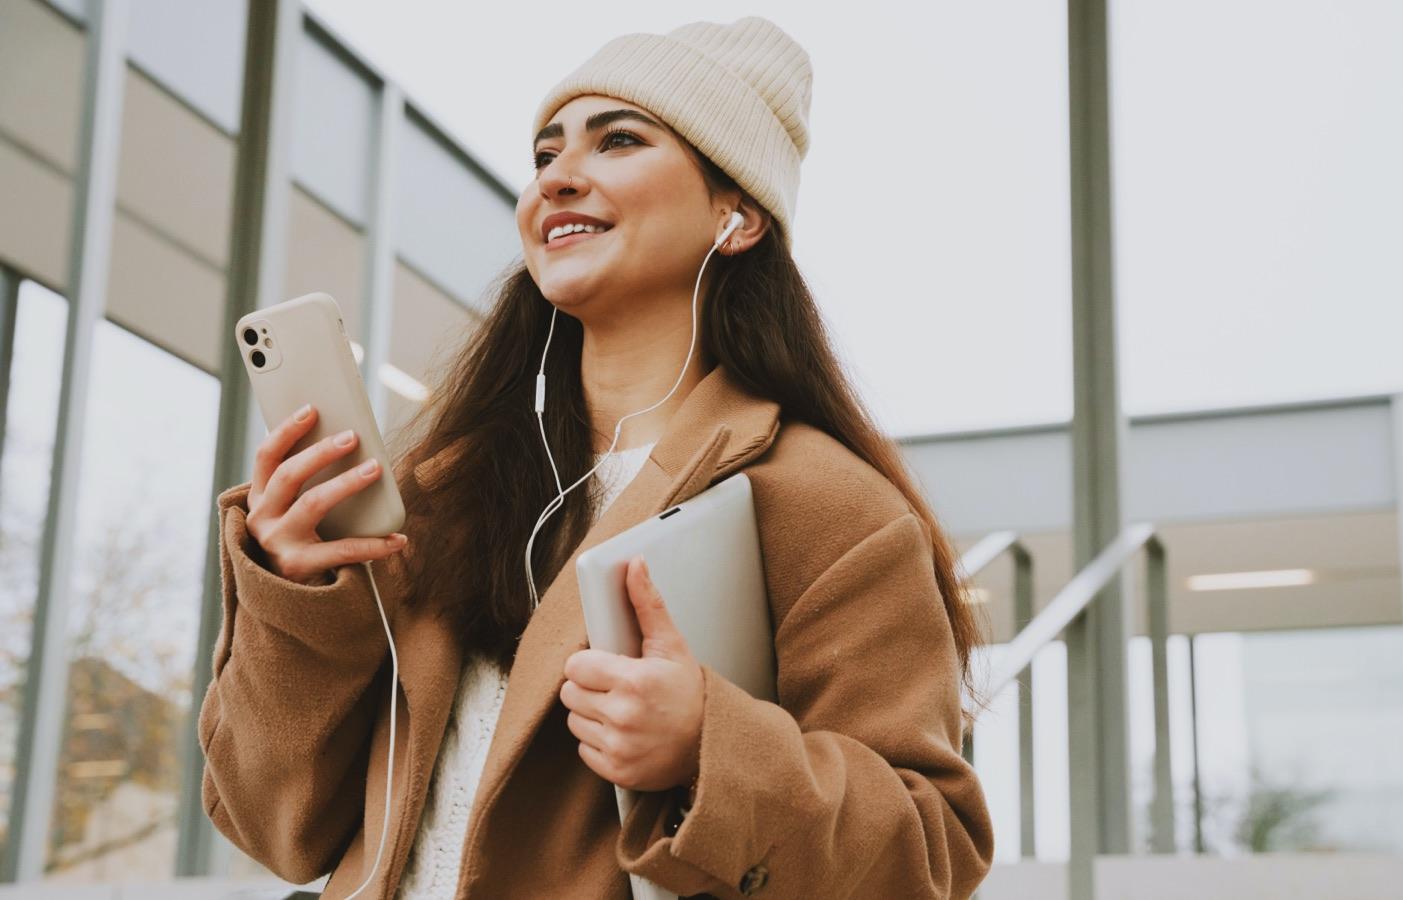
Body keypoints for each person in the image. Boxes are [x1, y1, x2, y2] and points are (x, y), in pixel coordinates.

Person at [199, 15, 994, 899]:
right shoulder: (441, 493)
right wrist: (300, 603)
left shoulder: (827, 506)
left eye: (620, 140)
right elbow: (272, 827)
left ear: (736, 218)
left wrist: (708, 748)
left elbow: (932, 853)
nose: (558, 178)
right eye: (544, 155)